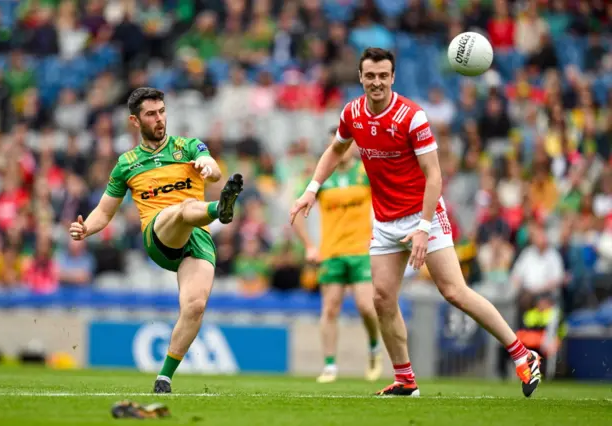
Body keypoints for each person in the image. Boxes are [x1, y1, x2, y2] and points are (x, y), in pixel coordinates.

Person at [290, 48, 541, 398]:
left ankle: (522, 353)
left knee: (454, 291)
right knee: (381, 298)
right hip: (385, 220)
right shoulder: (352, 113)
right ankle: (405, 380)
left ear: (392, 77)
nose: (376, 82)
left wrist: (423, 228)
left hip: (424, 213)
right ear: (361, 78)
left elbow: (434, 176)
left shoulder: (412, 116)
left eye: (383, 76)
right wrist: (311, 190)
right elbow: (335, 150)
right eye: (370, 76)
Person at [68, 87, 243, 394]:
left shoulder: (188, 146)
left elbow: (214, 171)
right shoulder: (127, 163)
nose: (159, 119)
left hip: (196, 238)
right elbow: (105, 212)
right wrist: (85, 230)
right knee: (184, 208)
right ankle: (221, 210)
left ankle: (164, 378)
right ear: (135, 121)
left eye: (162, 111)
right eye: (151, 114)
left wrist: (208, 168)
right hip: (159, 235)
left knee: (195, 306)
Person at [292, 127, 381, 383]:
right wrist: (309, 245)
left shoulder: (365, 174)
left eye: (344, 144)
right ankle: (330, 366)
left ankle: (374, 347)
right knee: (330, 309)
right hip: (330, 252)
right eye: (335, 145)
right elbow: (296, 209)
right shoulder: (321, 179)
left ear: (352, 146)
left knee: (366, 306)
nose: (341, 149)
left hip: (360, 251)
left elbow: (385, 200)